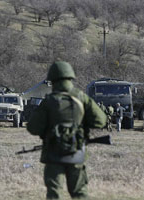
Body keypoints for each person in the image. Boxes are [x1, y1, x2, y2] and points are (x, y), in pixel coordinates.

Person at [27, 61, 107, 199]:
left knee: (54, 193)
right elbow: (101, 121)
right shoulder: (82, 97)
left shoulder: (49, 101)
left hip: (53, 153)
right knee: (79, 193)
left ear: (52, 80)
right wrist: (82, 125)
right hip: (76, 151)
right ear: (71, 77)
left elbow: (32, 128)